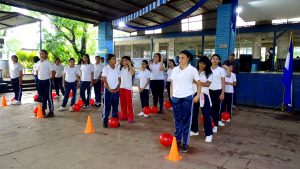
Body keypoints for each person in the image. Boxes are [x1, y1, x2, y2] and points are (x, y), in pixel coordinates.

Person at [170, 50, 201, 153]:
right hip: (176, 98)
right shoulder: (175, 69)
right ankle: (178, 140)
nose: (180, 59)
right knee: (177, 120)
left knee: (186, 121)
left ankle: (185, 143)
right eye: (179, 57)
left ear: (188, 58)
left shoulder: (193, 70)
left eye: (183, 57)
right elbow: (172, 83)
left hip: (187, 98)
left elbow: (198, 83)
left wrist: (198, 95)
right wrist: (171, 95)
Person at [190, 56, 213, 143]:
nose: (201, 65)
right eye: (200, 63)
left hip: (204, 95)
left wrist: (196, 82)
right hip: (194, 94)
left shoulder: (209, 73)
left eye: (203, 64)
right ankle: (194, 130)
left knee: (206, 115)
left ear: (206, 65)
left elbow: (207, 84)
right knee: (193, 113)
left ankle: (209, 134)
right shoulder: (194, 71)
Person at [102, 54, 121, 128]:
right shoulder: (105, 68)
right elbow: (104, 79)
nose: (115, 60)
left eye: (115, 59)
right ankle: (105, 121)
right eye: (113, 59)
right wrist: (109, 89)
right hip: (108, 90)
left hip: (116, 90)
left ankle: (115, 121)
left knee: (115, 107)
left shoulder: (117, 69)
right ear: (109, 60)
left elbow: (119, 79)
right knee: (107, 106)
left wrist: (118, 88)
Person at [209, 54, 226, 133]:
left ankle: (215, 125)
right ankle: (210, 124)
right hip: (209, 91)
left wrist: (222, 93)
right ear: (211, 60)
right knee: (209, 109)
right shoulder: (208, 69)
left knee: (216, 109)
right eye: (213, 59)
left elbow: (223, 82)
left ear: (219, 61)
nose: (215, 60)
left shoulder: (221, 70)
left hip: (218, 91)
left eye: (216, 59)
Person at [37, 50, 55, 117]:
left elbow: (53, 71)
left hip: (47, 81)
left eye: (42, 54)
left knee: (49, 97)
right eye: (40, 54)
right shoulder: (38, 62)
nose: (41, 55)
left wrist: (51, 79)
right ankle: (43, 110)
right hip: (40, 81)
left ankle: (51, 111)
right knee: (43, 96)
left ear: (46, 55)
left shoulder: (49, 63)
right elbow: (37, 71)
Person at [119, 56, 135, 123]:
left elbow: (132, 73)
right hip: (121, 87)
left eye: (125, 60)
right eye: (122, 60)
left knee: (129, 103)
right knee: (122, 103)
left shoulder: (131, 68)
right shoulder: (121, 68)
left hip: (128, 88)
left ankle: (131, 117)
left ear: (128, 61)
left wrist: (130, 65)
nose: (123, 61)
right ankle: (124, 115)